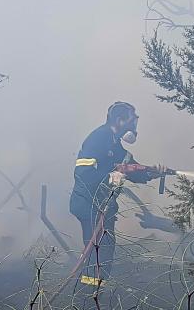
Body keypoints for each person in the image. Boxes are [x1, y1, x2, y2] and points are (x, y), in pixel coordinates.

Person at [69, 101, 165, 286]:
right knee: (98, 251)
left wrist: (152, 172)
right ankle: (88, 294)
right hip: (89, 204)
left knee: (103, 251)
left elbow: (130, 168)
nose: (134, 126)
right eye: (131, 121)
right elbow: (82, 173)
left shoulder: (115, 144)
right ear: (119, 120)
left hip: (102, 206)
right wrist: (109, 177)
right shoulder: (98, 138)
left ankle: (94, 290)